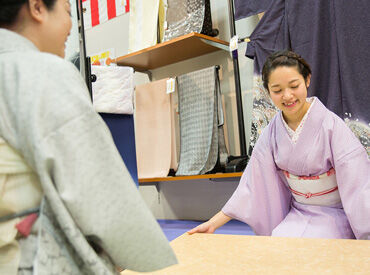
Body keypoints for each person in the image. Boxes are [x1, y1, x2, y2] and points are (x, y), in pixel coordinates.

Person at [0, 0, 177, 274]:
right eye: (68, 13)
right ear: (37, 8)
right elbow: (98, 190)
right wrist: (138, 253)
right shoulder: (43, 72)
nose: (71, 26)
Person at [189, 50, 370, 239]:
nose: (287, 96)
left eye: (294, 85)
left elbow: (358, 182)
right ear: (268, 91)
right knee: (279, 240)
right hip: (298, 212)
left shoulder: (332, 126)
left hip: (335, 214)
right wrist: (213, 223)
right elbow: (251, 185)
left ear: (307, 80)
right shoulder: (272, 132)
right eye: (277, 90)